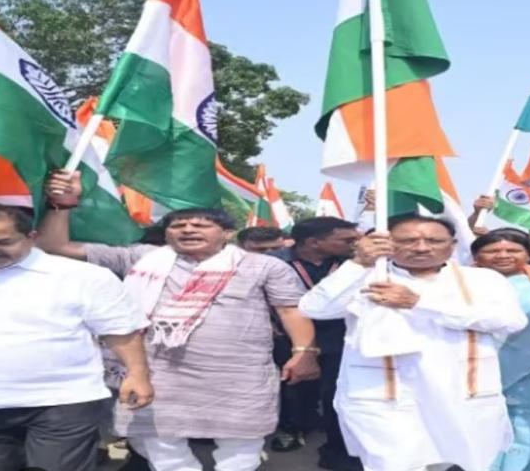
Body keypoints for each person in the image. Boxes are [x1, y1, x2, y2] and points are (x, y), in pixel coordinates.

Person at [37, 171, 320, 471]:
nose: (188, 229)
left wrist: (305, 352)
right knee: (157, 441)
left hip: (239, 374)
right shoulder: (141, 257)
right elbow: (56, 247)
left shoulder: (263, 266)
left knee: (241, 443)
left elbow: (291, 310)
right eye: (178, 225)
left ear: (226, 233)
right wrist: (62, 204)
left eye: (201, 225)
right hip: (156, 373)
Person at [300, 214, 527, 471]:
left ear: (452, 245)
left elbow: (511, 321)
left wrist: (419, 303)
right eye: (408, 241)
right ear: (387, 242)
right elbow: (314, 308)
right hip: (386, 397)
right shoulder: (366, 277)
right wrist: (358, 263)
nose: (421, 247)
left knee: (464, 461)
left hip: (461, 394)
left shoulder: (483, 280)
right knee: (393, 464)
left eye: (433, 240)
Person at [0, 204, 153, 471]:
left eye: (4, 242)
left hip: (63, 401)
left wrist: (137, 374)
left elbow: (119, 330)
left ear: (32, 237)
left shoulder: (83, 277)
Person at [269, 217, 362, 470]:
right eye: (347, 240)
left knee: (336, 390)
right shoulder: (273, 263)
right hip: (288, 334)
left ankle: (337, 444)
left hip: (339, 334)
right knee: (293, 386)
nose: (355, 244)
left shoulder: (354, 264)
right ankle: (292, 427)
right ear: (314, 242)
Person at [471, 229, 530, 471]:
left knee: (526, 422)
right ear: (476, 256)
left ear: (529, 255)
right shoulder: (461, 284)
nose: (503, 255)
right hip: (476, 370)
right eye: (493, 250)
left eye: (513, 250)